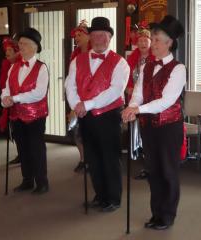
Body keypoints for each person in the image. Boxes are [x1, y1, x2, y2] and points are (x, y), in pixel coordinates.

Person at [122, 15, 186, 230]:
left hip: (169, 128)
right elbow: (138, 93)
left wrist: (137, 109)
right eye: (154, 38)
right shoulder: (147, 66)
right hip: (149, 127)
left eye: (157, 39)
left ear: (169, 43)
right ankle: (156, 213)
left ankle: (167, 215)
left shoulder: (178, 69)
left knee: (168, 172)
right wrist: (132, 106)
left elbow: (166, 101)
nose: (153, 43)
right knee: (153, 172)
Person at [66, 17, 129, 212]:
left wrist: (88, 104)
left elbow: (115, 90)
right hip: (86, 116)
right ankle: (100, 195)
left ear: (109, 37)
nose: (98, 38)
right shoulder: (78, 60)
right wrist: (76, 104)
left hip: (109, 116)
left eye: (102, 35)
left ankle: (113, 198)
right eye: (94, 35)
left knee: (109, 158)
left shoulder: (120, 63)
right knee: (92, 158)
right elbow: (70, 84)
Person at [1, 27, 49, 194]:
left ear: (34, 47)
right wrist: (5, 98)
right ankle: (27, 180)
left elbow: (38, 93)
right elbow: (6, 87)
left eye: (24, 43)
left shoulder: (41, 67)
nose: (20, 46)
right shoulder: (13, 67)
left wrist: (14, 98)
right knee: (23, 148)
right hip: (16, 115)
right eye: (19, 43)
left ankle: (42, 181)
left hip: (35, 115)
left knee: (36, 148)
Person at [126, 22, 155, 180]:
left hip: (150, 102)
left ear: (151, 42)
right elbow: (126, 77)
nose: (143, 43)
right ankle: (145, 165)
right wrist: (129, 87)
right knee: (139, 134)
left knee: (149, 134)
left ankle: (151, 166)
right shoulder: (132, 58)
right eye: (140, 40)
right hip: (135, 101)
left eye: (146, 40)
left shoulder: (155, 58)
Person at [68, 20, 91, 172]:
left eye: (80, 35)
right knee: (75, 131)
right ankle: (83, 159)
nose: (76, 38)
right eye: (75, 36)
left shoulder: (93, 53)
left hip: (91, 98)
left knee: (90, 132)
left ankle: (91, 159)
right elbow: (71, 79)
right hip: (77, 96)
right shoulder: (75, 56)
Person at [0, 37, 21, 165]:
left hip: (20, 102)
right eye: (6, 50)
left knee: (20, 131)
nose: (7, 52)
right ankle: (20, 153)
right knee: (14, 129)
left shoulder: (20, 65)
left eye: (10, 50)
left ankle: (25, 154)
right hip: (9, 101)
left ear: (17, 52)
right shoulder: (7, 65)